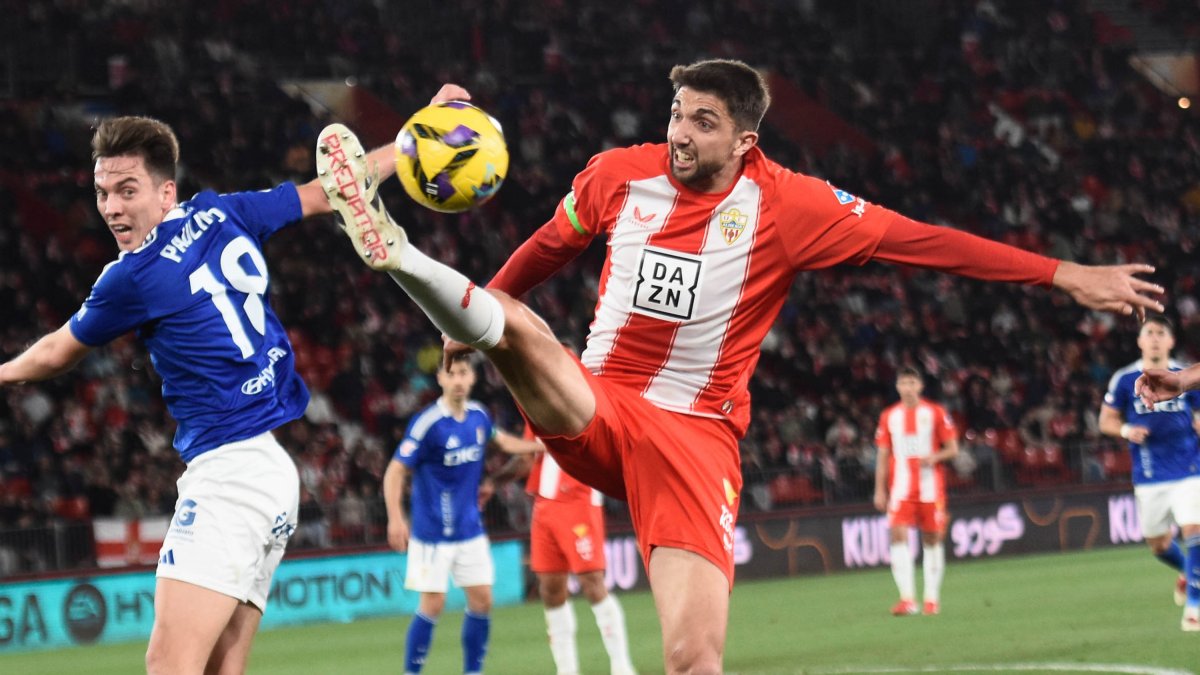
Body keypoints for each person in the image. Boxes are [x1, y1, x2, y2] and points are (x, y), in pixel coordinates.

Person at [320, 60, 1163, 673]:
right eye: (677, 113)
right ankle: (397, 256)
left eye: (702, 121)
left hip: (697, 442)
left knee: (694, 658)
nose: (680, 133)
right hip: (601, 405)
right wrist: (475, 320)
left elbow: (922, 242)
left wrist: (1062, 273)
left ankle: (437, 285)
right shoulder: (620, 175)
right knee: (520, 329)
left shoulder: (790, 205)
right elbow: (545, 247)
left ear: (746, 138)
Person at [0, 87, 468, 675]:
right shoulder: (222, 211)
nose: (112, 208)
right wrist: (418, 132)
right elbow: (338, 188)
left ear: (165, 191)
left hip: (229, 478)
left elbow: (52, 355)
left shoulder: (132, 276)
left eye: (127, 190)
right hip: (271, 474)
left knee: (168, 665)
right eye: (101, 193)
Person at [383, 351, 542, 675]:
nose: (458, 380)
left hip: (469, 528)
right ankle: (411, 672)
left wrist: (543, 446)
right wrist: (396, 518)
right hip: (431, 534)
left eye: (463, 373)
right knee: (433, 605)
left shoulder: (479, 416)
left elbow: (505, 443)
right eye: (451, 374)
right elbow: (395, 471)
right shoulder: (428, 423)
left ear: (472, 378)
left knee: (482, 600)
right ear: (441, 379)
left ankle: (473, 671)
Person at [498, 427, 637, 675]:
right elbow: (525, 458)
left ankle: (622, 667)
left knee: (592, 583)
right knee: (550, 590)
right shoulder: (535, 409)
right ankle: (566, 670)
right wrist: (493, 481)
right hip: (544, 505)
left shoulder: (586, 396)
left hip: (579, 501)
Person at [1100, 314, 1200, 630]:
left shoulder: (1186, 374)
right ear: (1140, 341)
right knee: (1157, 544)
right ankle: (1188, 573)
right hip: (1149, 474)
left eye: (1161, 332)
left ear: (1171, 341)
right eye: (1149, 332)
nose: (1155, 337)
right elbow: (1106, 421)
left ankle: (1194, 608)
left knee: (1195, 531)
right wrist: (1127, 429)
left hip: (1188, 468)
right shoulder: (1124, 379)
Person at [873, 367, 959, 617]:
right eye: (903, 383)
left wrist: (935, 457)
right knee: (897, 536)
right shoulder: (889, 416)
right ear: (898, 387)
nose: (908, 387)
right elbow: (882, 455)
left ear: (920, 386)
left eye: (912, 382)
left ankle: (931, 599)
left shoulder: (935, 413)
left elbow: (953, 448)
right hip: (900, 489)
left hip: (931, 489)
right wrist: (879, 490)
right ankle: (907, 599)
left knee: (932, 540)